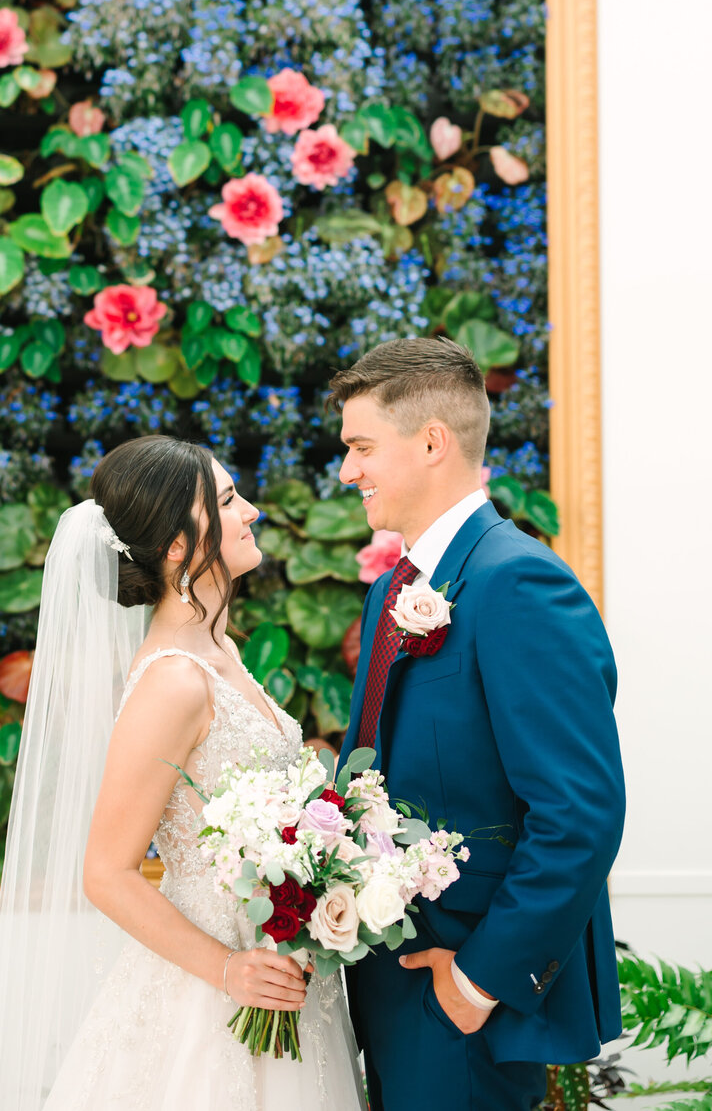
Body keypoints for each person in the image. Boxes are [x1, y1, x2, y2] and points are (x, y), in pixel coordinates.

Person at [0, 433, 366, 1111]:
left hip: (280, 968)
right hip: (213, 990)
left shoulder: (223, 651)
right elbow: (106, 872)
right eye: (228, 499)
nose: (251, 511)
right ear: (179, 547)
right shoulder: (174, 681)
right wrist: (227, 970)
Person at [332, 337, 625, 1111]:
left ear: (432, 442)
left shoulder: (518, 581)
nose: (346, 471)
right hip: (388, 986)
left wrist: (478, 980)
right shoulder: (394, 588)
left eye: (361, 447)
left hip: (462, 1000)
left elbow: (579, 815)